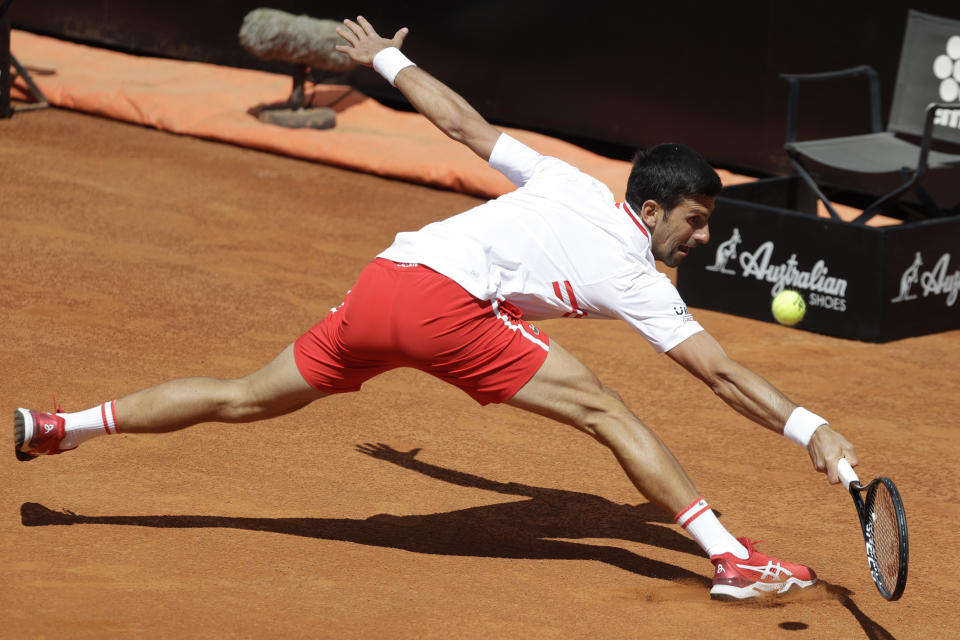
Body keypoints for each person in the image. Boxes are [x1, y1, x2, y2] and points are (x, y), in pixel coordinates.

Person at [15, 16, 858, 600]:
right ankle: (732, 560)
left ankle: (63, 426)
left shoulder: (569, 178)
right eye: (697, 222)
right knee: (606, 411)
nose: (702, 240)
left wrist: (384, 59)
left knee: (242, 396)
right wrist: (808, 426)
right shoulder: (635, 276)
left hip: (386, 278)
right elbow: (719, 373)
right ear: (654, 209)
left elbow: (460, 123)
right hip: (444, 305)